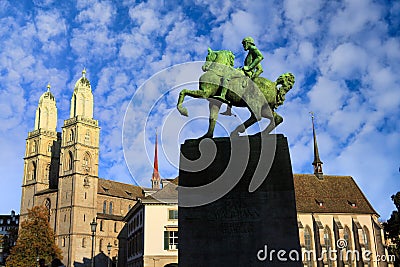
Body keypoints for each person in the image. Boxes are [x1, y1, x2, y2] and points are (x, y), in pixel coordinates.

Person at [216, 36, 264, 113]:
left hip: (245, 72)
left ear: (248, 43)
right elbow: (260, 69)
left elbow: (260, 57)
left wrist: (249, 68)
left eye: (244, 43)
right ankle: (228, 110)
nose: (243, 46)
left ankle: (222, 95)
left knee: (226, 76)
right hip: (245, 72)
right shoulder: (252, 55)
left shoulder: (253, 49)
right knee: (232, 84)